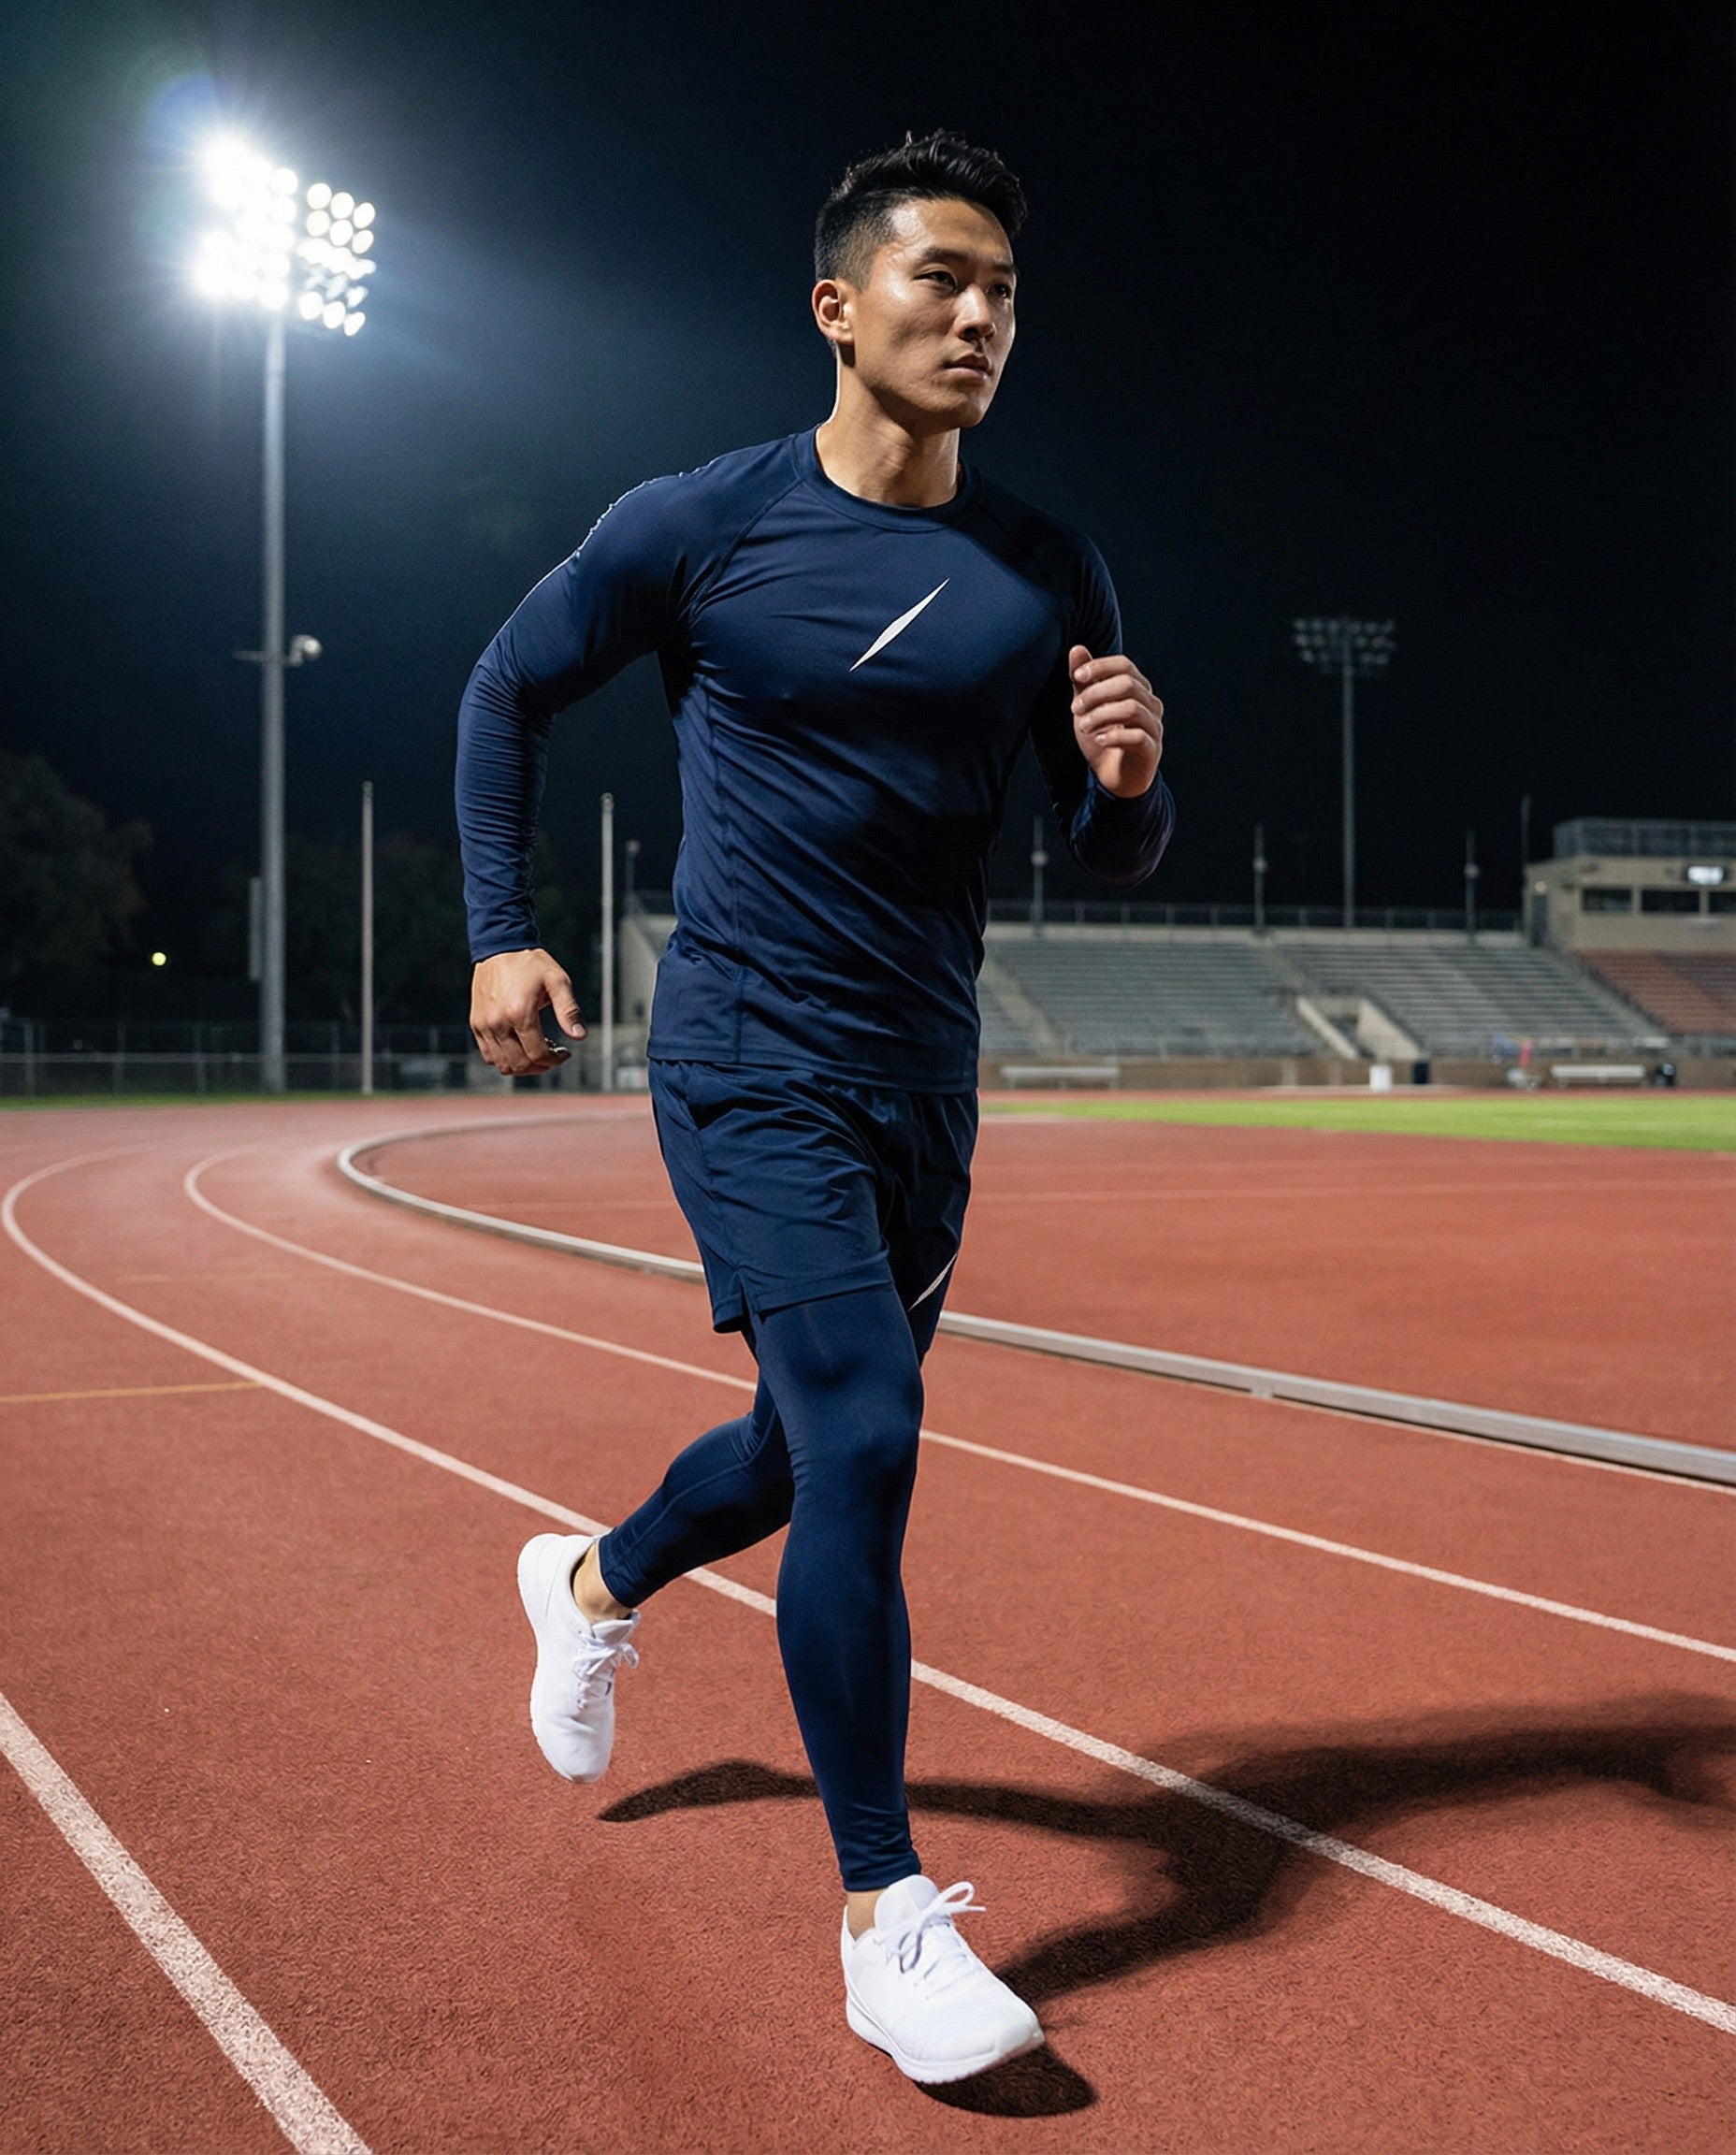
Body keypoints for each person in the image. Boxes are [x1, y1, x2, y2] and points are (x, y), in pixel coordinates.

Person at [457, 130, 1174, 2086]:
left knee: (795, 1450)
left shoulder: (1049, 565)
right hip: (746, 1051)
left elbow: (1112, 862)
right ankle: (882, 1919)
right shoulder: (702, 525)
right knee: (868, 1435)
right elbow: (505, 692)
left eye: (1003, 291)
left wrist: (1124, 790)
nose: (977, 316)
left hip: (921, 1078)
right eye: (939, 279)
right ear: (836, 307)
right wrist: (500, 933)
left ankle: (590, 1578)